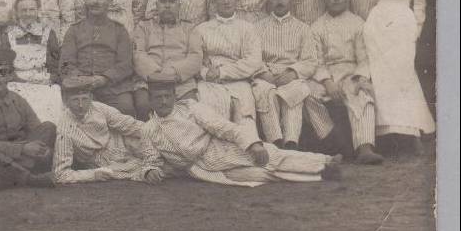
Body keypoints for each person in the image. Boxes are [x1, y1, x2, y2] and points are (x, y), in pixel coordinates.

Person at [140, 77, 342, 187]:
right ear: (150, 100)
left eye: (167, 96)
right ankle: (321, 176)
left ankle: (324, 161)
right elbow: (150, 159)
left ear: (175, 96)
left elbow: (223, 126)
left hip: (220, 148)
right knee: (260, 175)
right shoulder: (149, 129)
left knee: (271, 156)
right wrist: (150, 171)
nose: (164, 102)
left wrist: (252, 143)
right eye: (158, 98)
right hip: (203, 169)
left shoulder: (191, 107)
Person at [363, 0, 435, 155]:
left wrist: (417, 27)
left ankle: (411, 131)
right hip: (378, 24)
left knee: (403, 75)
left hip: (403, 21)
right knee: (381, 78)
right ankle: (386, 134)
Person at [251, 0, 334, 149]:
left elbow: (310, 61)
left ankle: (291, 142)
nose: (280, 1)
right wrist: (263, 73)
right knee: (264, 92)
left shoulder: (303, 28)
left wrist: (293, 72)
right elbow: (251, 57)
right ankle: (275, 140)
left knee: (296, 91)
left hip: (291, 76)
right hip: (265, 76)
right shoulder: (257, 28)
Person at [309, 0, 383, 164]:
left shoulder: (358, 23)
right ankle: (333, 140)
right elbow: (316, 61)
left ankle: (364, 147)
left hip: (351, 73)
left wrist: (359, 78)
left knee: (363, 94)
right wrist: (327, 82)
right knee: (306, 94)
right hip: (326, 76)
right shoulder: (316, 26)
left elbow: (364, 58)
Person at [0, 47, 57, 190]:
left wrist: (37, 149)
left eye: (2, 73)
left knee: (49, 127)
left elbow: (36, 132)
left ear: (9, 76)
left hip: (5, 163)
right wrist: (23, 149)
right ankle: (28, 178)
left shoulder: (17, 100)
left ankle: (5, 178)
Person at [60, 0, 149, 120]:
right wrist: (81, 79)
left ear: (110, 1)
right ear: (86, 0)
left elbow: (125, 65)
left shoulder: (119, 30)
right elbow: (65, 63)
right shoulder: (74, 30)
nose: (96, 2)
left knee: (126, 108)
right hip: (80, 88)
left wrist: (104, 78)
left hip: (113, 88)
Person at [194, 0, 262, 136]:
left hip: (239, 80)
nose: (226, 2)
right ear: (214, 1)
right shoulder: (201, 29)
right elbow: (195, 60)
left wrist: (223, 72)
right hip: (209, 81)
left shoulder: (247, 29)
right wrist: (205, 73)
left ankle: (250, 150)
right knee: (212, 117)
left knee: (245, 117)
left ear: (237, 0)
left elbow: (253, 61)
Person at [52, 76, 147, 184]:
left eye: (85, 99)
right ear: (65, 101)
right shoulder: (65, 129)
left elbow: (130, 125)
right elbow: (60, 174)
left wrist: (156, 133)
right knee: (152, 168)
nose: (80, 105)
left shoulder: (99, 108)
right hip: (108, 165)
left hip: (127, 146)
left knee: (157, 147)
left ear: (91, 97)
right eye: (75, 100)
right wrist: (92, 175)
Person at [133, 0, 203, 101]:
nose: (167, 5)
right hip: (149, 81)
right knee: (142, 105)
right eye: (163, 1)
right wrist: (155, 73)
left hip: (180, 83)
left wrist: (174, 72)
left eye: (172, 1)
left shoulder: (189, 29)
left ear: (179, 5)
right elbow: (138, 54)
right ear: (156, 4)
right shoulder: (143, 26)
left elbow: (195, 57)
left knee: (190, 108)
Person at [2, 0, 64, 125]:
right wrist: (15, 78)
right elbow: (5, 64)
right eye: (23, 10)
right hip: (17, 82)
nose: (28, 13)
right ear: (17, 12)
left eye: (32, 9)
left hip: (44, 81)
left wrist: (51, 78)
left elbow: (55, 62)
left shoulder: (48, 32)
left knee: (52, 104)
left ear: (38, 11)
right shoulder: (9, 34)